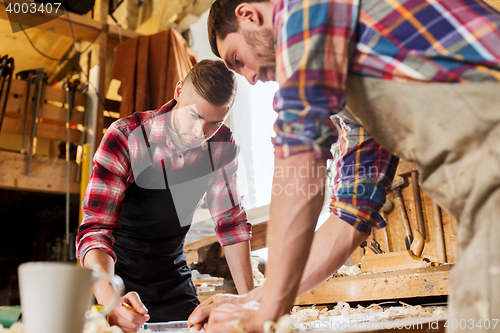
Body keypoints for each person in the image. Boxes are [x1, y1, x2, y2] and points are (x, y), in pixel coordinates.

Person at [187, 0, 500, 332]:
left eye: (239, 60)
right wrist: (258, 298)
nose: (250, 79)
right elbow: (351, 215)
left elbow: (300, 155)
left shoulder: (304, 9)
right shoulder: (354, 90)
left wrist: (267, 311)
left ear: (250, 15)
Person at [76, 59, 255, 332]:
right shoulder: (127, 137)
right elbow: (96, 231)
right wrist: (112, 303)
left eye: (215, 123)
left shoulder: (220, 145)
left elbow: (231, 226)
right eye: (194, 116)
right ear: (178, 90)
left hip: (171, 279)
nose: (201, 133)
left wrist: (250, 305)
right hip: (110, 276)